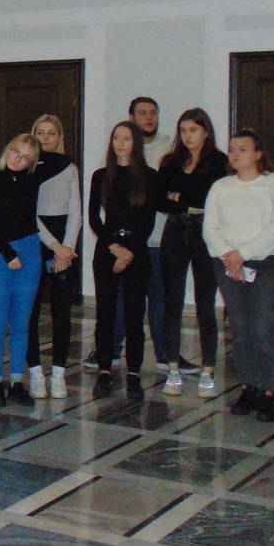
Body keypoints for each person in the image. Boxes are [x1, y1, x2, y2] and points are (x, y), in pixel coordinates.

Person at [204, 129, 274, 422]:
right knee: (240, 327)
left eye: (243, 149)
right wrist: (230, 255)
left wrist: (243, 253)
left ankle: (267, 390)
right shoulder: (221, 186)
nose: (235, 154)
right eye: (232, 149)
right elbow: (210, 228)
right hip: (228, 263)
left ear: (258, 154)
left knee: (262, 326)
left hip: (270, 263)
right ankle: (248, 386)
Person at [156, 108, 229, 398]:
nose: (187, 136)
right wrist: (185, 201)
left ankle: (207, 371)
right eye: (183, 130)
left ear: (205, 131)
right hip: (175, 230)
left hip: (205, 231)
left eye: (193, 130)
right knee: (172, 301)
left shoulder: (219, 161)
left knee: (205, 303)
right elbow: (160, 200)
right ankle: (173, 368)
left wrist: (180, 197)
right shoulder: (171, 161)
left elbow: (211, 199)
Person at [88, 120, 160, 401]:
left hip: (136, 251)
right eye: (116, 137)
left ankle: (133, 373)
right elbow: (94, 218)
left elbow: (148, 220)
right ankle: (104, 370)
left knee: (134, 313)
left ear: (136, 143)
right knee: (105, 312)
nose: (120, 143)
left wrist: (128, 252)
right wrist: (114, 247)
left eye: (126, 138)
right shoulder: (100, 175)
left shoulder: (149, 177)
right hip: (107, 249)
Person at [0, 133, 47, 407]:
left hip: (29, 251)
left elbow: (62, 161)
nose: (18, 159)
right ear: (8, 148)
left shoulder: (32, 179)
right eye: (16, 151)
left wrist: (38, 151)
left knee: (21, 323)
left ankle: (17, 381)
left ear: (33, 163)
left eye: (26, 157)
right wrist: (8, 254)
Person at [108, 96, 172, 372]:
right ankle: (110, 349)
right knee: (121, 299)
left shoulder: (171, 147)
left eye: (153, 112)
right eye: (143, 113)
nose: (149, 117)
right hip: (126, 242)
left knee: (159, 298)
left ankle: (165, 354)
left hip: (159, 239)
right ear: (131, 117)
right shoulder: (119, 153)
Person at [28, 114, 79, 399]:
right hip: (35, 239)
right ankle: (35, 372)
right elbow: (28, 213)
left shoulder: (69, 168)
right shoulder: (27, 166)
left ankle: (58, 373)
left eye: (51, 133)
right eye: (40, 132)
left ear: (60, 137)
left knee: (62, 311)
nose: (46, 137)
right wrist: (54, 245)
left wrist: (66, 249)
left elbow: (76, 213)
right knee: (30, 310)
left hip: (64, 246)